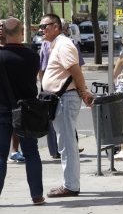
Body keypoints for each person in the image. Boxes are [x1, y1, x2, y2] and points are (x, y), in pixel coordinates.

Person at [40, 13, 94, 198]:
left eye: (44, 26)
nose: (41, 30)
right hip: (60, 98)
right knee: (64, 142)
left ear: (56, 26)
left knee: (67, 143)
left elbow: (75, 71)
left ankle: (71, 185)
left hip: (65, 98)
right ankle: (69, 183)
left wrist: (84, 91)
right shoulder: (54, 44)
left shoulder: (63, 45)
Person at [0, 17, 45, 205]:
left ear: (3, 34)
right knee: (31, 152)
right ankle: (36, 195)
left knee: (1, 155)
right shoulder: (33, 56)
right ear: (22, 32)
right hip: (26, 111)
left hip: (2, 111)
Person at [0, 19, 26, 163]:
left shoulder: (16, 49)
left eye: (1, 27)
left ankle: (15, 150)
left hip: (15, 98)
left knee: (16, 126)